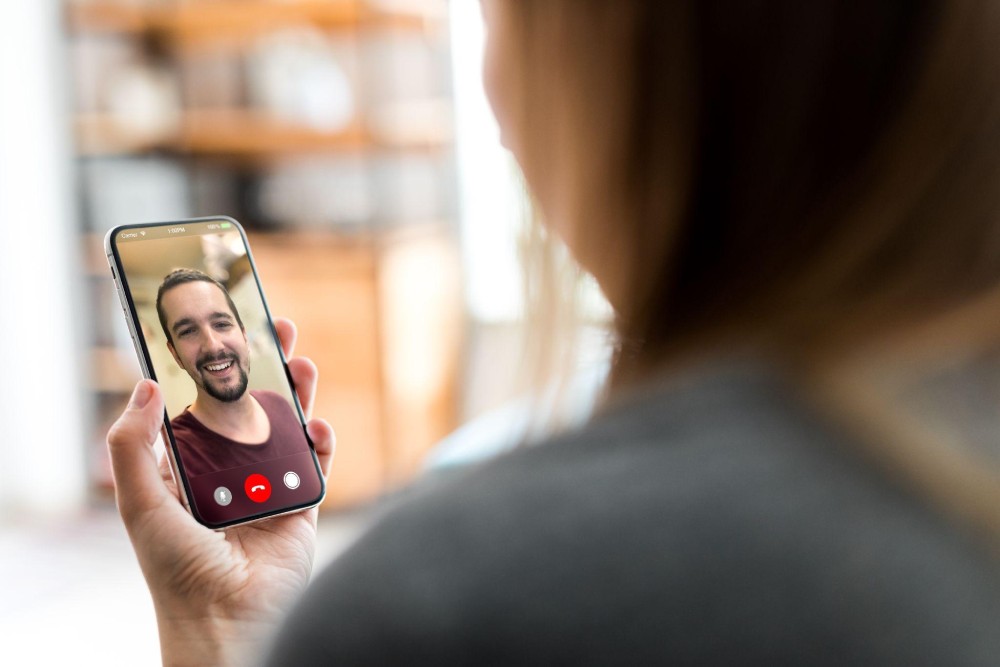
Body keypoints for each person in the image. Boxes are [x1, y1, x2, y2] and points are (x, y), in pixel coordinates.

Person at [107, 1, 1000, 665]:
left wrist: (220, 637)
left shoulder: (456, 602)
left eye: (503, 18)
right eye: (190, 330)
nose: (496, 113)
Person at [156, 269, 309, 478]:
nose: (212, 345)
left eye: (222, 324)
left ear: (244, 336)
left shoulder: (279, 403)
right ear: (175, 354)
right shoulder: (179, 450)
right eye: (188, 331)